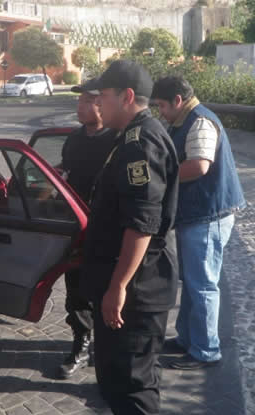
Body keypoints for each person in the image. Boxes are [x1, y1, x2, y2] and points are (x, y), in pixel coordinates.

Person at [81, 60, 179, 414]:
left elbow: (142, 222)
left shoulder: (141, 142)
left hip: (137, 291)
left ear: (127, 97)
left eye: (103, 96)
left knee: (134, 388)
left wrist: (118, 286)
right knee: (115, 381)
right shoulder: (130, 136)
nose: (97, 103)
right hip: (130, 286)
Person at [150, 76, 246, 370]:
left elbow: (199, 166)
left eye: (162, 105)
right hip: (198, 215)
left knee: (202, 284)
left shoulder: (200, 121)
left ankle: (206, 350)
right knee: (193, 281)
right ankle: (188, 339)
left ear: (177, 101)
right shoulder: (185, 120)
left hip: (208, 216)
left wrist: (161, 177)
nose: (160, 112)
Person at [56, 78, 117, 379]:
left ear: (102, 103)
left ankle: (108, 347)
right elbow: (66, 172)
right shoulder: (74, 139)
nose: (79, 107)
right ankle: (81, 344)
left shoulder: (117, 140)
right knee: (76, 290)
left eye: (86, 101)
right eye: (78, 101)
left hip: (108, 228)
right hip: (77, 228)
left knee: (108, 290)